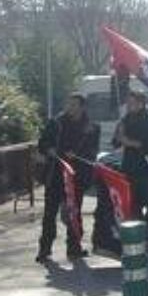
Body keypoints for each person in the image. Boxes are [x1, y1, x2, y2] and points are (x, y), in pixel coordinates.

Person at [36, 93, 99, 262]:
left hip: (76, 176)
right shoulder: (56, 122)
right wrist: (48, 149)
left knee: (74, 213)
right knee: (49, 214)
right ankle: (44, 249)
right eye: (68, 104)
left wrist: (78, 154)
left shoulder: (92, 126)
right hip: (55, 175)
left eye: (73, 105)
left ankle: (74, 247)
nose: (69, 107)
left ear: (82, 107)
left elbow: (93, 152)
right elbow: (42, 143)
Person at [118, 90, 148, 246]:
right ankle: (141, 234)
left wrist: (131, 142)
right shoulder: (125, 120)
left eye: (132, 103)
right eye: (128, 103)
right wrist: (120, 136)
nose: (129, 106)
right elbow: (117, 142)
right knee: (133, 206)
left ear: (141, 104)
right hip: (129, 170)